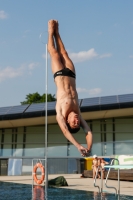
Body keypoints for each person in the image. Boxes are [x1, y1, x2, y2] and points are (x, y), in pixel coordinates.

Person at [48, 20, 93, 157]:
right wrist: (88, 148)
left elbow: (65, 132)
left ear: (67, 122)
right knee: (64, 53)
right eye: (78, 123)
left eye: (74, 123)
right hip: (72, 75)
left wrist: (78, 146)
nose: (77, 120)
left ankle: (51, 32)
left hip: (59, 75)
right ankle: (57, 32)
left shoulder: (60, 114)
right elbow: (88, 132)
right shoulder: (78, 112)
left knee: (55, 53)